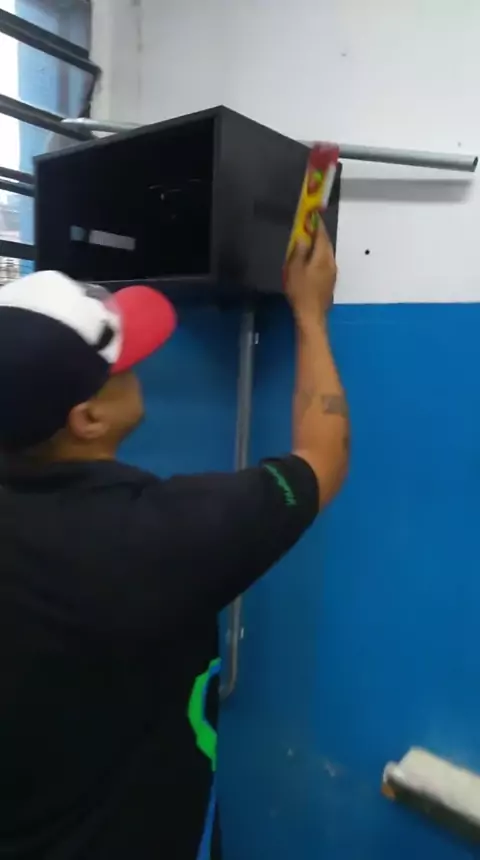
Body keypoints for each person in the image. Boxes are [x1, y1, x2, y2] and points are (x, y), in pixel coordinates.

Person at [0, 222, 348, 860]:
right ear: (87, 418)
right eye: (123, 364)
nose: (142, 366)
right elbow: (322, 460)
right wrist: (310, 314)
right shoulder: (156, 538)